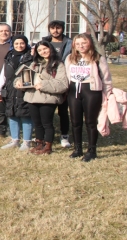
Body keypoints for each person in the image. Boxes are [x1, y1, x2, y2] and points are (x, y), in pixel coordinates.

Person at [65, 33, 113, 162]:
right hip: (74, 90)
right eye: (78, 43)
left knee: (90, 122)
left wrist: (107, 94)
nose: (81, 46)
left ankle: (92, 150)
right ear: (74, 45)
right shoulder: (70, 58)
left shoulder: (97, 58)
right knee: (75, 122)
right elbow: (66, 76)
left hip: (91, 91)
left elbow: (106, 78)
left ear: (90, 43)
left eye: (84, 43)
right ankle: (77, 148)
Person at [17, 41, 68, 155]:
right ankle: (39, 143)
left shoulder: (58, 64)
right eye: (39, 50)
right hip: (32, 97)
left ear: (50, 48)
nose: (42, 52)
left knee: (47, 123)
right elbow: (25, 77)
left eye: (45, 49)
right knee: (37, 123)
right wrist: (19, 83)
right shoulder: (34, 64)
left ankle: (48, 145)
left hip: (48, 98)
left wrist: (43, 85)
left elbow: (62, 84)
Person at [0, 35, 34, 151]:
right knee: (12, 114)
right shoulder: (9, 56)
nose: (19, 46)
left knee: (25, 115)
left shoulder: (31, 57)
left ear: (26, 44)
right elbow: (3, 74)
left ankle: (27, 142)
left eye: (22, 43)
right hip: (10, 89)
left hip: (25, 90)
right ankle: (14, 140)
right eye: (16, 43)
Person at [42, 20, 73, 148]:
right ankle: (44, 135)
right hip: (47, 78)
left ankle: (64, 136)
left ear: (63, 29)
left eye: (58, 28)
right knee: (46, 110)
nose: (55, 31)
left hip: (64, 77)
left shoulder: (70, 43)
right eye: (53, 28)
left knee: (63, 111)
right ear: (49, 30)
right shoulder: (45, 42)